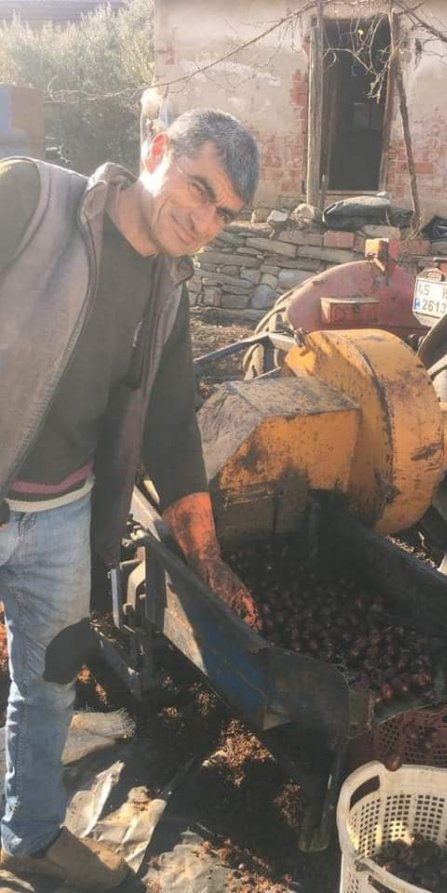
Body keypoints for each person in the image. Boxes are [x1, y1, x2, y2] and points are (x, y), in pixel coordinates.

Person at [0, 107, 260, 890]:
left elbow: (174, 429)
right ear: (155, 152)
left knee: (48, 681)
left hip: (59, 519)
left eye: (225, 213)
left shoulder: (168, 292)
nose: (204, 220)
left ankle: (28, 833)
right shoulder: (31, 198)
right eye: (198, 188)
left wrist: (209, 560)